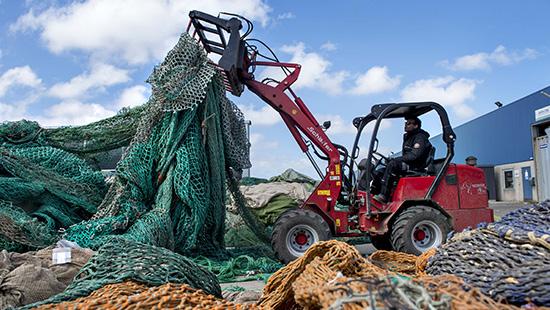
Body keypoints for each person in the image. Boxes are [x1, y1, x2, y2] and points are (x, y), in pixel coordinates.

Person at [373, 116, 432, 203]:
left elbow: (414, 156)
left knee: (393, 164)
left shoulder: (420, 138)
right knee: (381, 171)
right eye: (405, 123)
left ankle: (384, 195)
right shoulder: (408, 137)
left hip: (416, 166)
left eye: (408, 124)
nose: (405, 125)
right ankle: (374, 194)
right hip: (409, 163)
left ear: (416, 126)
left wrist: (397, 159)